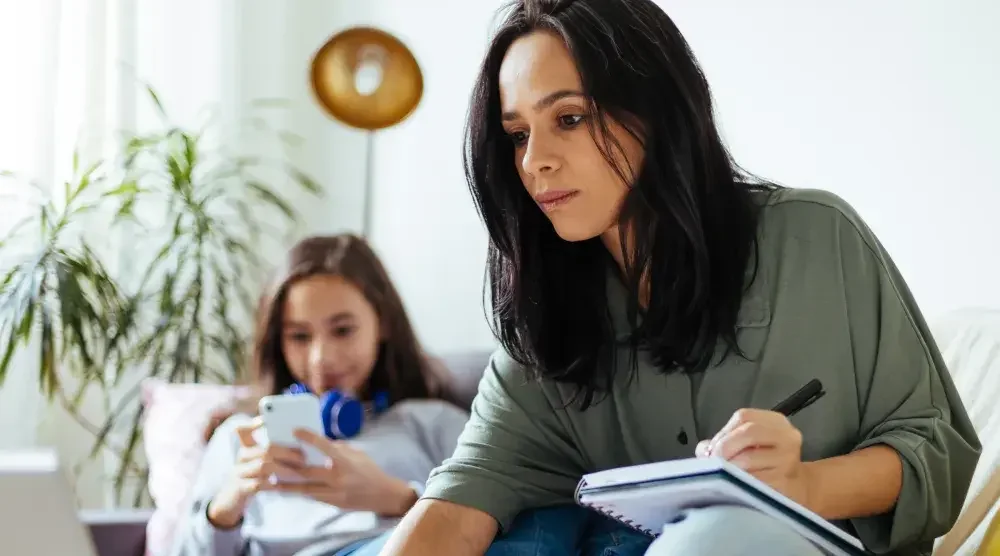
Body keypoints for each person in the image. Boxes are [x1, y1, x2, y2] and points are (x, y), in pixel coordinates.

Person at [374, 1, 982, 555]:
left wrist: (803, 485)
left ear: (656, 111)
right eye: (517, 135)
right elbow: (459, 502)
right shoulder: (545, 323)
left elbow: (938, 455)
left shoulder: (815, 237)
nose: (535, 161)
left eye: (570, 117)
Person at [168, 234, 470, 556]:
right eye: (299, 336)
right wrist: (225, 511)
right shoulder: (240, 438)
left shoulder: (432, 422)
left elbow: (492, 524)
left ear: (383, 324)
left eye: (342, 330)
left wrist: (400, 499)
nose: (320, 358)